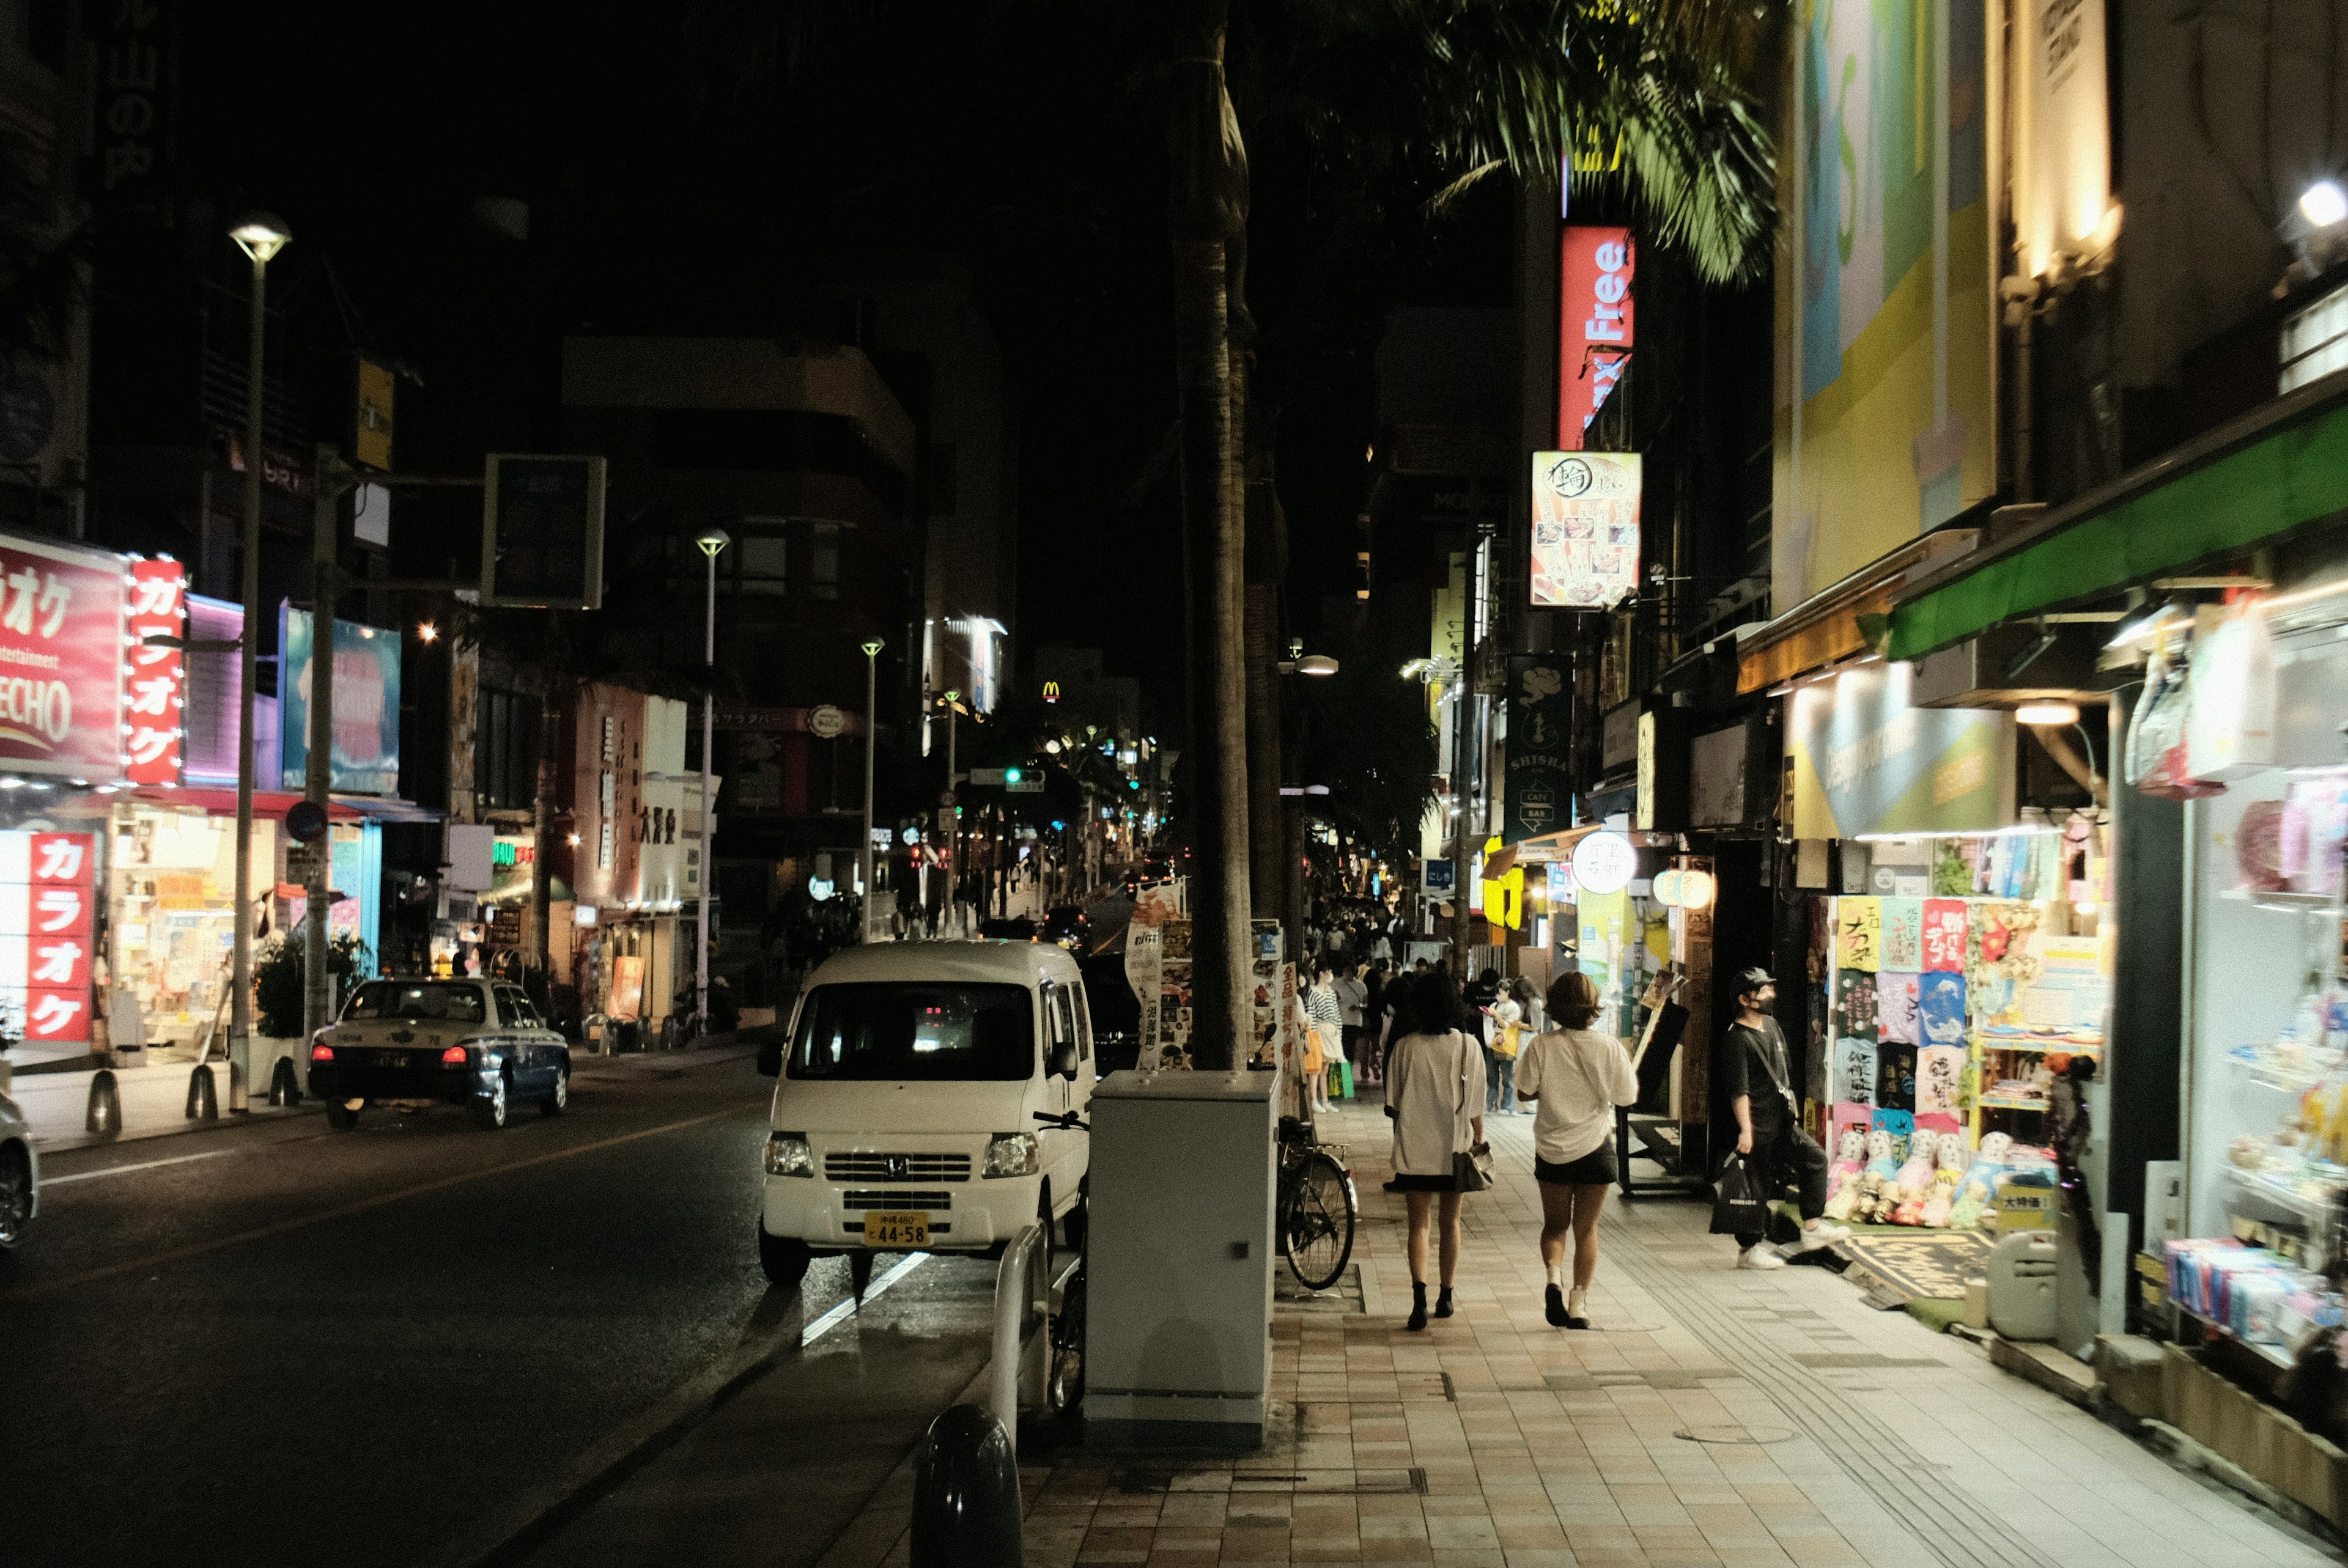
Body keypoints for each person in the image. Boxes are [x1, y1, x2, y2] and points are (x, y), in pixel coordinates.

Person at [1512, 973, 1637, 1328]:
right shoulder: (1610, 1047)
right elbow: (1627, 1097)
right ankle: (1579, 1304)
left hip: (1552, 1148)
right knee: (1587, 1230)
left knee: (1555, 1227)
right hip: (1596, 1149)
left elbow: (1523, 1093)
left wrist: (1550, 1091)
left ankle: (1554, 1277)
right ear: (1592, 1006)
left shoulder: (1541, 1046)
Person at [1720, 967, 1850, 1268]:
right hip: (1757, 1123)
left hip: (1782, 1120)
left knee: (1814, 1159)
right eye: (1763, 991)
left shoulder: (1773, 1026)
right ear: (1745, 999)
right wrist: (1745, 1130)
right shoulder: (1737, 1039)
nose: (1771, 995)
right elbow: (1739, 1091)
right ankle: (1748, 1251)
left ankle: (1813, 1229)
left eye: (1770, 989)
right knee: (1756, 1184)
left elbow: (1783, 1072)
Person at [1382, 970, 1485, 1330]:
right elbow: (1475, 1108)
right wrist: (1478, 1140)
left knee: (1418, 1225)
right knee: (1450, 1222)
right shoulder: (1469, 1046)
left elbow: (1392, 1106)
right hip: (1454, 1149)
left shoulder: (1405, 1047)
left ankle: (1417, 1300)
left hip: (1414, 1149)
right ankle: (1447, 1296)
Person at [1303, 961, 1342, 1112]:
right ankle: (1314, 1101)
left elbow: (1337, 1014)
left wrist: (1338, 1032)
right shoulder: (1313, 991)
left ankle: (1325, 1101)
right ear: (1321, 973)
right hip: (1319, 1031)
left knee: (1326, 1068)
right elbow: (1311, 1013)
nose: (1330, 975)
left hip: (1331, 1033)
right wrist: (1311, 1035)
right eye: (1329, 971)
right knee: (1316, 1068)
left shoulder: (1331, 992)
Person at [1488, 982, 1523, 1113]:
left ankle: (1507, 1106)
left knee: (1507, 1076)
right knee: (1491, 1074)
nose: (1498, 996)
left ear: (1508, 992)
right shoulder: (1494, 1005)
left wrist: (1496, 1015)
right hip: (1493, 1042)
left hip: (1506, 1043)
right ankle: (1490, 1104)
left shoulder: (1514, 1007)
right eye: (1497, 993)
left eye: (1501, 993)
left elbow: (1506, 1026)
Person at [1334, 960, 1369, 1088]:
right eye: (1345, 971)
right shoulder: (1337, 984)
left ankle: (1347, 1077)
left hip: (1355, 1022)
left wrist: (1358, 1006)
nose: (1346, 974)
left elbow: (1366, 1005)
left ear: (1354, 973)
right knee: (1341, 1048)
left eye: (1349, 971)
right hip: (1340, 1021)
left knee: (1350, 1049)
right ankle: (1341, 1077)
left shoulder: (1361, 986)